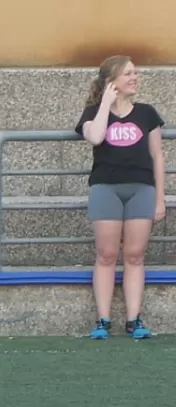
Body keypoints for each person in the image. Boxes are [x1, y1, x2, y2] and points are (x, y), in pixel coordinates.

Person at [76, 55, 166, 340]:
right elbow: (96, 138)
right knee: (106, 255)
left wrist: (160, 198)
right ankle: (103, 320)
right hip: (106, 188)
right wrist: (105, 103)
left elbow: (157, 157)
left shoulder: (147, 113)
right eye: (128, 73)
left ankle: (134, 319)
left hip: (142, 189)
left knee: (135, 255)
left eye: (135, 73)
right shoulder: (93, 112)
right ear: (111, 80)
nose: (135, 77)